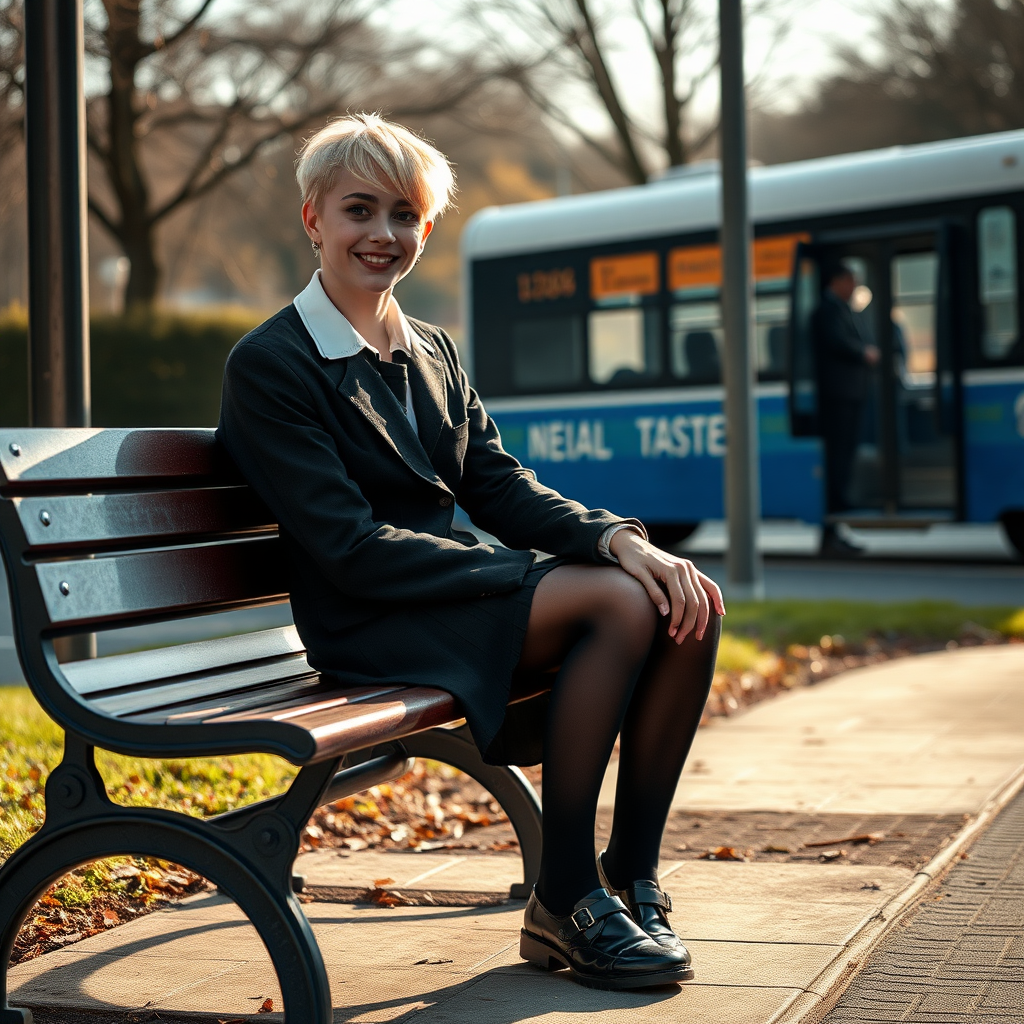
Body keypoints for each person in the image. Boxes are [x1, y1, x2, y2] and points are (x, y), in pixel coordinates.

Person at [217, 114, 724, 993]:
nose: (383, 235)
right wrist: (538, 575)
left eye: (405, 215)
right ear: (313, 220)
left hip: (445, 599)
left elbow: (499, 484)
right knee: (616, 603)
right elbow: (351, 548)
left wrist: (616, 537)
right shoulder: (272, 364)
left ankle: (630, 876)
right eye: (359, 210)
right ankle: (566, 894)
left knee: (687, 601)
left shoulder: (432, 352)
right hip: (368, 615)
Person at [811, 263, 880, 556]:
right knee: (837, 460)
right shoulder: (826, 310)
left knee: (844, 456)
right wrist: (863, 352)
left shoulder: (843, 308)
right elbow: (837, 343)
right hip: (836, 397)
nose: (855, 287)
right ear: (837, 281)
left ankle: (837, 526)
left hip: (849, 394)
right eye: (851, 281)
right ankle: (834, 521)